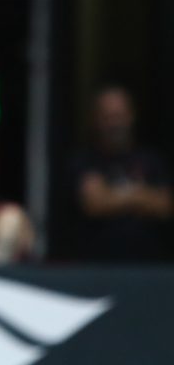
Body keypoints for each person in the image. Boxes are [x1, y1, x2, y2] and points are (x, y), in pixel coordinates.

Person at [69, 85, 172, 261]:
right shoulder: (86, 161)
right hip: (97, 268)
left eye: (119, 116)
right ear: (96, 120)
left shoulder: (151, 160)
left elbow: (165, 205)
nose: (114, 124)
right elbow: (95, 204)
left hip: (150, 267)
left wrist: (115, 196)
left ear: (131, 116)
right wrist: (140, 194)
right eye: (107, 117)